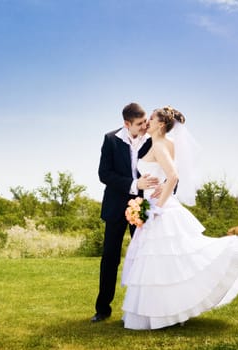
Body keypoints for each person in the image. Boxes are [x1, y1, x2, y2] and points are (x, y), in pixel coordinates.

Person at [120, 106, 238, 330]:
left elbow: (174, 175)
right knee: (167, 264)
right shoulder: (167, 143)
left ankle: (162, 314)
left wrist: (157, 208)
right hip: (157, 202)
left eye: (150, 119)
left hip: (160, 208)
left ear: (160, 124)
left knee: (160, 264)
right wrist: (160, 189)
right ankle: (169, 312)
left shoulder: (160, 145)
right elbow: (168, 174)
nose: (147, 123)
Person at [91, 102, 160, 323]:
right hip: (115, 207)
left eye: (145, 122)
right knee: (110, 258)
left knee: (144, 258)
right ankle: (103, 309)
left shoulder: (151, 140)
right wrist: (134, 184)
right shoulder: (111, 139)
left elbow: (164, 170)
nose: (144, 126)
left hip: (143, 207)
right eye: (139, 124)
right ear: (126, 123)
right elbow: (104, 174)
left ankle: (142, 308)